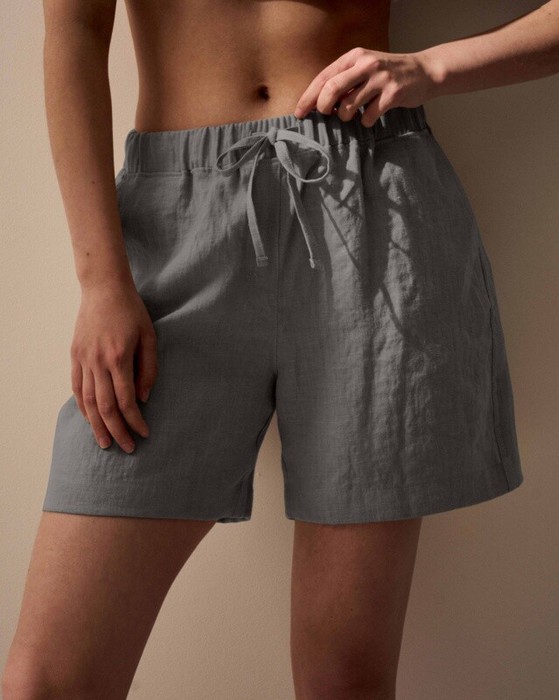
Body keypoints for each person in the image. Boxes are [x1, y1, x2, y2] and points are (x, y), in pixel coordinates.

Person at [3, 0, 557, 697]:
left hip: (371, 206)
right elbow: (75, 31)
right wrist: (101, 282)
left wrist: (434, 66)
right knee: (47, 682)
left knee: (344, 682)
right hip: (176, 234)